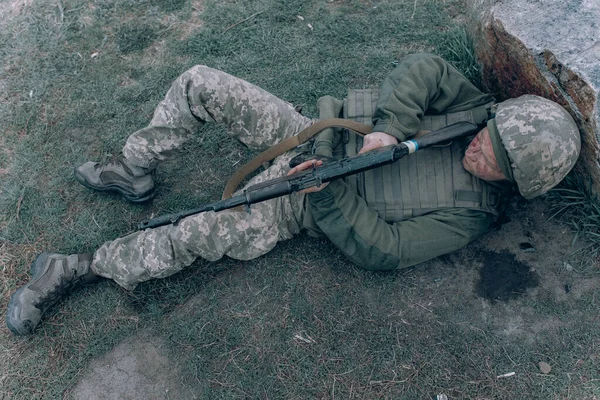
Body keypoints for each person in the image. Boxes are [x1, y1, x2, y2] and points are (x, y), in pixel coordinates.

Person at [6, 54, 580, 335]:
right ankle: (132, 169)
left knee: (200, 230)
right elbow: (423, 69)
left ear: (514, 184)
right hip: (312, 129)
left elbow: (386, 249)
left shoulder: (469, 216)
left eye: (493, 161)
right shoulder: (472, 109)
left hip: (303, 200)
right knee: (200, 81)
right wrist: (389, 128)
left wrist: (324, 192)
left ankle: (77, 266)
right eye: (488, 136)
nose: (479, 149)